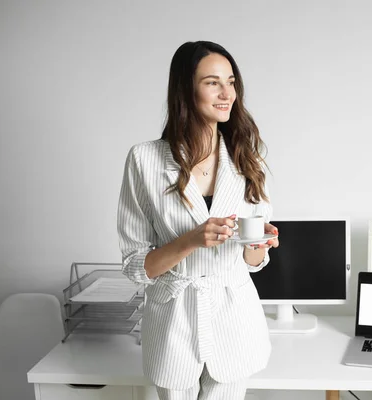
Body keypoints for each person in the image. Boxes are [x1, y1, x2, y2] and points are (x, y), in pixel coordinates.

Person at [117, 41, 279, 400]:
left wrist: (258, 245)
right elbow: (133, 266)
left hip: (234, 325)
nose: (227, 94)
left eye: (232, 82)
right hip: (174, 323)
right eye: (212, 82)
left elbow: (254, 262)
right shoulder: (145, 160)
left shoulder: (247, 158)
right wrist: (190, 240)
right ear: (186, 90)